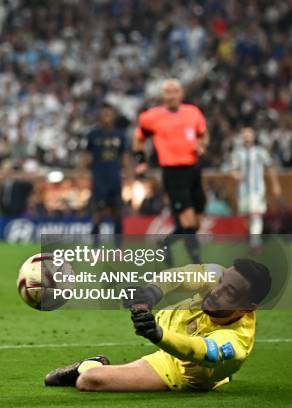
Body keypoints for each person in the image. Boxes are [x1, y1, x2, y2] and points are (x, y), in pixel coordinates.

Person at [45, 259, 271, 392]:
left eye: (229, 292)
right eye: (221, 282)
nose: (216, 291)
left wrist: (157, 335)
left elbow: (197, 350)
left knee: (89, 380)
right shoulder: (219, 275)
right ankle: (221, 375)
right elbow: (180, 276)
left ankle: (90, 364)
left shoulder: (236, 344)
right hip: (173, 326)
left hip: (180, 368)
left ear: (247, 308)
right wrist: (151, 293)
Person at [133, 79, 208, 265]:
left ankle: (166, 243)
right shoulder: (151, 117)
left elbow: (203, 134)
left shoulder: (193, 112)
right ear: (162, 95)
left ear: (181, 94)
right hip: (173, 172)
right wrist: (141, 161)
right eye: (168, 91)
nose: (172, 95)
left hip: (194, 169)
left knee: (196, 222)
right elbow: (139, 139)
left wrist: (202, 145)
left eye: (175, 91)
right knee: (188, 221)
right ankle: (198, 267)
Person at [82, 105, 128, 247]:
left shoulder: (120, 135)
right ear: (100, 117)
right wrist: (85, 173)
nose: (107, 118)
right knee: (99, 214)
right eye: (104, 115)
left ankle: (118, 249)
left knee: (117, 214)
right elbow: (86, 158)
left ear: (113, 117)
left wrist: (130, 180)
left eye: (109, 115)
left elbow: (125, 158)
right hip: (99, 181)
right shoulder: (93, 135)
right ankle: (96, 248)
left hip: (115, 180)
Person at [230, 127, 282, 250]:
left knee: (256, 214)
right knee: (247, 216)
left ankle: (255, 243)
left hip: (257, 189)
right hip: (243, 189)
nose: (247, 137)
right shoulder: (237, 153)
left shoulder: (260, 152)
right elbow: (232, 169)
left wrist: (275, 184)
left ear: (253, 137)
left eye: (249, 135)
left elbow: (270, 167)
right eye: (245, 135)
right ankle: (253, 239)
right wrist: (235, 174)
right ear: (242, 137)